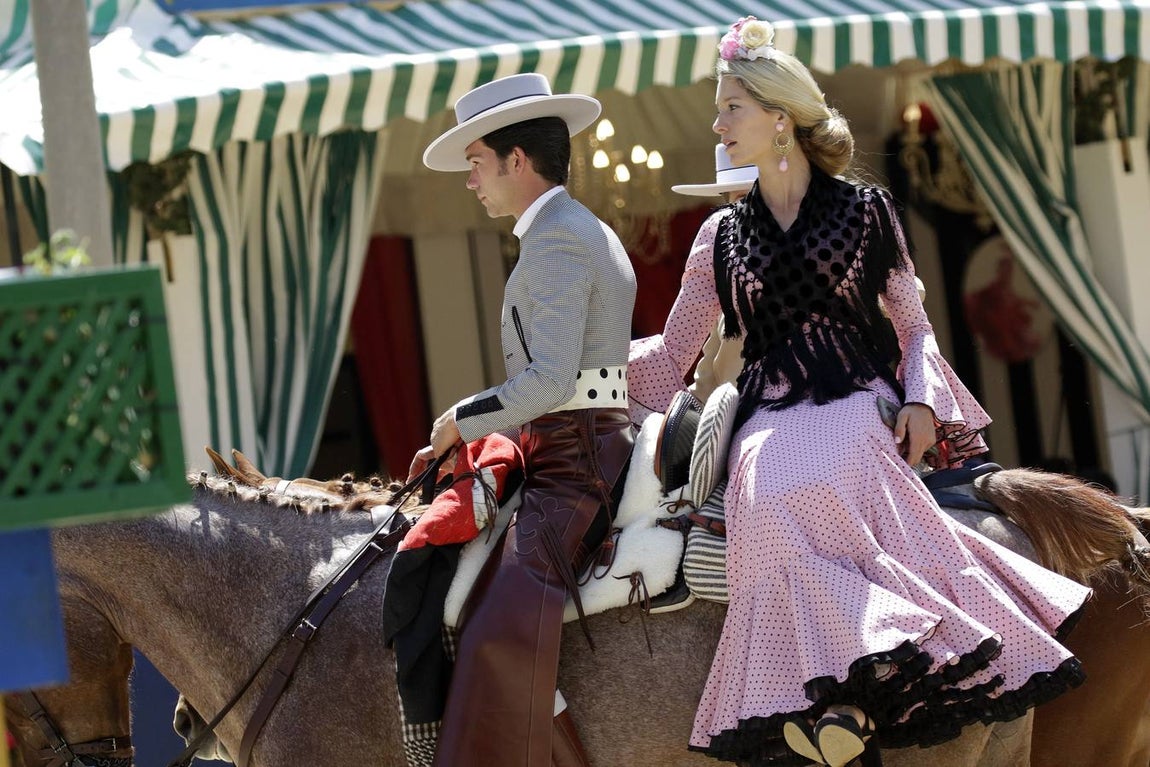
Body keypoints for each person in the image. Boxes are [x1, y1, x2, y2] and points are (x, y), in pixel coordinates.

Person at [626, 17, 1090, 767]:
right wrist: (586, 381)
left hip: (858, 401)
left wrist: (920, 399)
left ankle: (858, 686)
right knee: (770, 485)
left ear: (780, 117)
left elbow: (915, 326)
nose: (716, 124)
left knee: (813, 470)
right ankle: (834, 707)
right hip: (768, 413)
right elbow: (675, 352)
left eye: (729, 107)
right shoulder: (718, 237)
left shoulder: (868, 212)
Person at [412, 73, 637, 767]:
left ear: (516, 160)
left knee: (491, 632)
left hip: (578, 462)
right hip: (563, 451)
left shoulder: (558, 240)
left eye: (476, 162)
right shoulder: (562, 231)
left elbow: (552, 380)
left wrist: (459, 419)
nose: (471, 180)